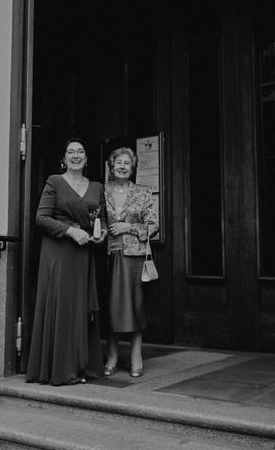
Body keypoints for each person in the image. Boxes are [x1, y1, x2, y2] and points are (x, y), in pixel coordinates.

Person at [26, 138, 108, 385]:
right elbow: (41, 218)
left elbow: (101, 218)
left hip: (84, 254)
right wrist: (71, 231)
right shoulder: (55, 182)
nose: (76, 155)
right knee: (63, 308)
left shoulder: (96, 187)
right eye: (70, 151)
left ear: (86, 158)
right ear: (63, 158)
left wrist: (101, 233)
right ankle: (61, 370)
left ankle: (81, 366)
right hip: (59, 253)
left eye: (80, 151)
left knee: (81, 310)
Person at [103, 147, 159, 378]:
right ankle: (112, 355)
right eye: (119, 162)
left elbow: (154, 225)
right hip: (107, 255)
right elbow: (94, 220)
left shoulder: (143, 192)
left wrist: (130, 227)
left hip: (135, 257)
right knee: (111, 307)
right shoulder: (101, 191)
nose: (123, 166)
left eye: (127, 163)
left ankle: (136, 356)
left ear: (132, 167)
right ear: (111, 166)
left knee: (135, 306)